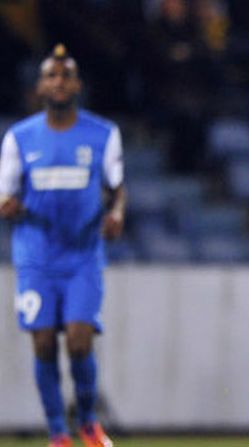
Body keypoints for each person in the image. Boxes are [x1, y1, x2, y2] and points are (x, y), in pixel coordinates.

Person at [0, 44, 125, 447]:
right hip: (36, 256)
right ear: (40, 86)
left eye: (66, 75)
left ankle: (87, 421)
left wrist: (116, 214)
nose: (58, 82)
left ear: (77, 85)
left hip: (82, 255)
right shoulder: (19, 138)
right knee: (42, 342)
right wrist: (7, 205)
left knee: (78, 338)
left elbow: (117, 189)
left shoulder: (103, 134)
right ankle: (58, 432)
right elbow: (5, 195)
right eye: (51, 76)